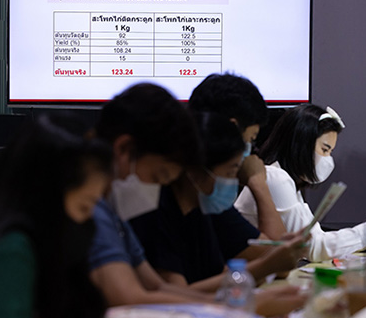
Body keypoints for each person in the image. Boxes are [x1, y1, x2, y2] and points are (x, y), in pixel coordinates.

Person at [0, 115, 169, 318]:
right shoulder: (11, 251)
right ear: (47, 196)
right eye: (85, 207)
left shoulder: (42, 248)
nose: (88, 224)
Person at [88, 83, 304, 317]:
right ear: (124, 149)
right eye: (158, 177)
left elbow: (160, 288)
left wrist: (246, 302)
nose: (159, 189)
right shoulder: (94, 208)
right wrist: (245, 305)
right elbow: (130, 298)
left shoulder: (114, 213)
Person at [130, 112, 304, 292]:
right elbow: (178, 296)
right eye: (229, 173)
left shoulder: (201, 211)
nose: (233, 182)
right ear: (195, 171)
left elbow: (220, 274)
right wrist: (265, 266)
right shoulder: (156, 213)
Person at [235, 104, 366, 262]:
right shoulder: (276, 179)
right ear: (301, 144)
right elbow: (313, 248)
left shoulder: (287, 182)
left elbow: (314, 239)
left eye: (331, 152)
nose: (328, 160)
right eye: (324, 150)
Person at [188, 73, 287, 241]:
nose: (248, 153)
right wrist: (258, 183)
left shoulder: (213, 201)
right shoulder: (202, 196)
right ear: (231, 130)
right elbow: (275, 255)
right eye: (250, 139)